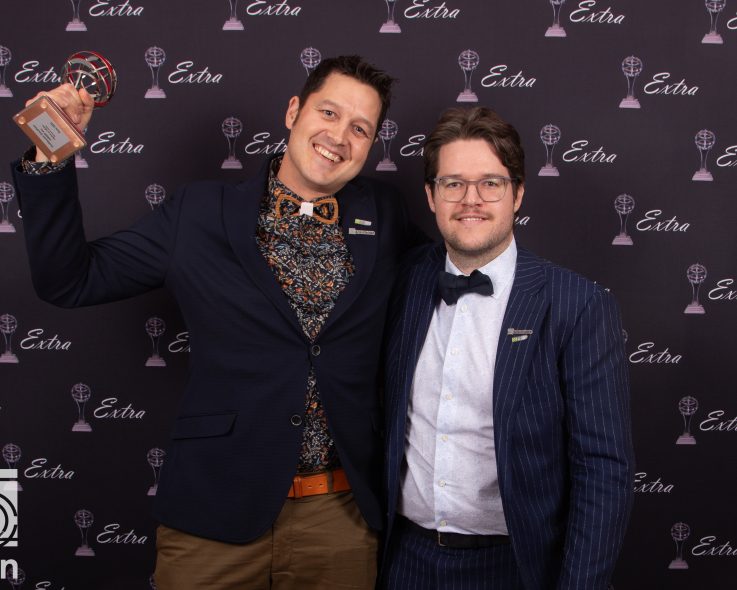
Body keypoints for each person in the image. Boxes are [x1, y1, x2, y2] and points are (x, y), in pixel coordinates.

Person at [12, 56, 414, 589]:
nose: (339, 137)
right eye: (329, 113)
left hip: (338, 520)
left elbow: (446, 278)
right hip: (213, 509)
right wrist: (50, 147)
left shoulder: (385, 216)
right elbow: (70, 279)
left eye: (360, 128)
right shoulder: (198, 212)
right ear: (293, 111)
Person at [381, 106, 634, 590]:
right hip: (404, 560)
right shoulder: (403, 280)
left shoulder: (577, 305)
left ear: (517, 194)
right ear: (431, 196)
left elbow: (603, 471)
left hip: (516, 566)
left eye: (490, 184)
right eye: (453, 184)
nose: (470, 200)